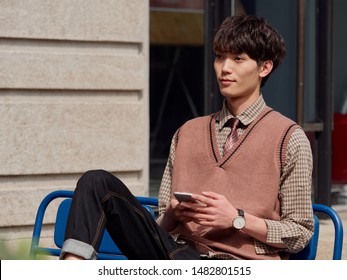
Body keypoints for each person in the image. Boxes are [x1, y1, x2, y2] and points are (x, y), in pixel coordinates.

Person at [61, 14, 314, 260]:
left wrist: (237, 219)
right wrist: (172, 215)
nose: (224, 68)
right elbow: (160, 224)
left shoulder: (288, 138)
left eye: (238, 58)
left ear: (264, 67)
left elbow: (300, 233)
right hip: (176, 255)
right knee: (96, 182)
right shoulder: (187, 132)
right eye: (219, 57)